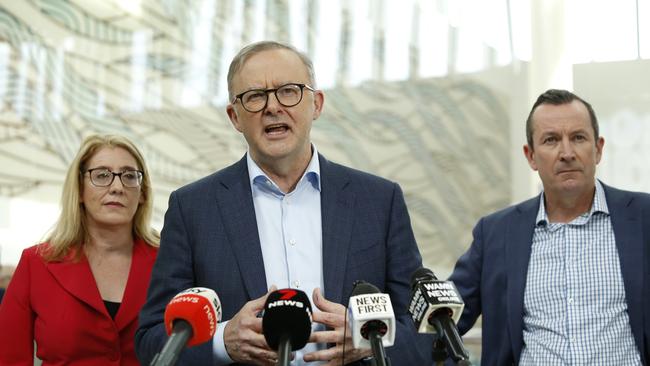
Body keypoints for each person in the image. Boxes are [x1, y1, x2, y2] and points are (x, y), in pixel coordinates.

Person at [135, 40, 433, 365]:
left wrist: (370, 340)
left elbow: (425, 332)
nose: (272, 107)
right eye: (255, 96)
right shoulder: (192, 209)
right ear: (234, 117)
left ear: (316, 104)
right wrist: (223, 340)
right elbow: (152, 340)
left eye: (288, 91)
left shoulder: (379, 201)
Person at [449, 89, 650, 365]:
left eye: (578, 138)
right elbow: (438, 324)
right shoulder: (495, 234)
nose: (567, 153)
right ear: (531, 156)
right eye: (551, 140)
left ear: (598, 148)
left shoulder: (644, 218)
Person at [0, 134, 159, 365]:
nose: (117, 187)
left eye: (129, 176)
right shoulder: (36, 263)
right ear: (80, 190)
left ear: (142, 193)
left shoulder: (169, 262)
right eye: (102, 175)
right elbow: (8, 358)